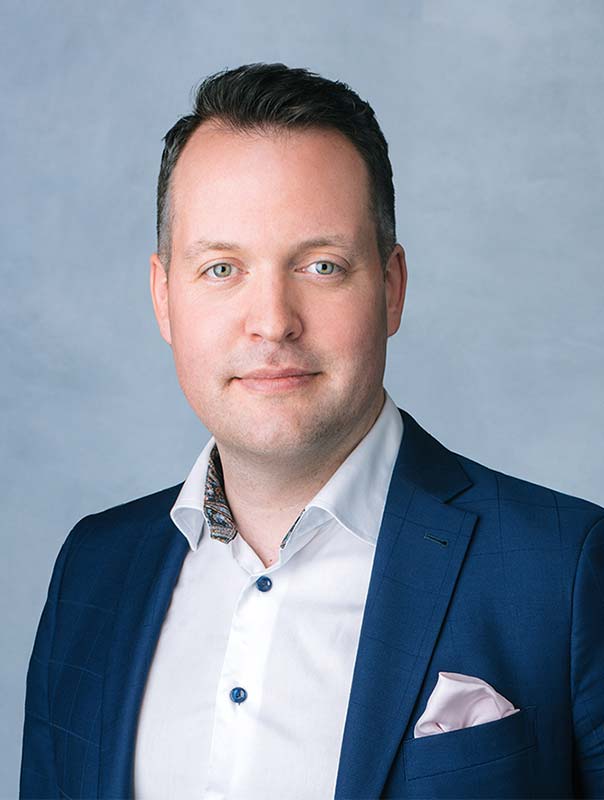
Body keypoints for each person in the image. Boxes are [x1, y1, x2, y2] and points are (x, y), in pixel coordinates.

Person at [20, 62, 603, 800]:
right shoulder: (92, 570)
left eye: (322, 265)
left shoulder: (564, 571)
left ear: (391, 287)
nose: (273, 322)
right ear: (164, 297)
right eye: (222, 268)